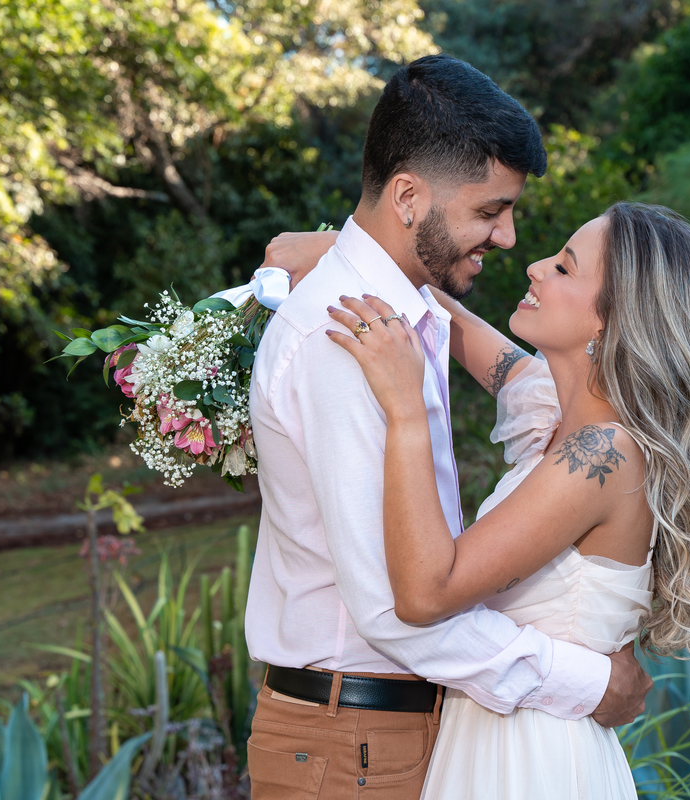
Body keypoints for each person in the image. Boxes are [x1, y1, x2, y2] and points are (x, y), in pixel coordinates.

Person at [242, 54, 653, 800]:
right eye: (490, 211)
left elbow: (515, 373)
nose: (509, 241)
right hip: (352, 742)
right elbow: (395, 612)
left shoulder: (404, 316)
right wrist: (587, 681)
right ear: (407, 197)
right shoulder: (352, 338)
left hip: (395, 736)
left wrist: (338, 247)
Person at [311, 202, 690, 798]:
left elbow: (424, 593)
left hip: (530, 763)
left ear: (611, 320)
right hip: (505, 740)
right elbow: (475, 338)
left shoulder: (602, 455)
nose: (535, 267)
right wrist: (347, 260)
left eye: (565, 269)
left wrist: (406, 409)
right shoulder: (567, 418)